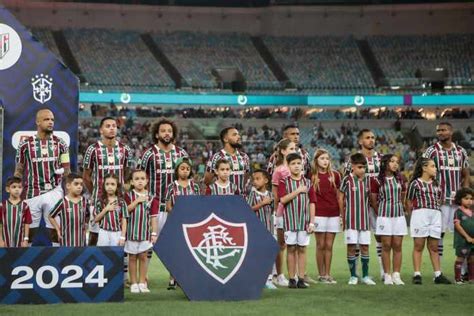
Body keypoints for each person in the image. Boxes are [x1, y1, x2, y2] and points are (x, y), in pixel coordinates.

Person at [15, 108, 70, 246]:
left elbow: (67, 170)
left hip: (54, 191)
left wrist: (69, 195)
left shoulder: (61, 143)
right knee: (28, 233)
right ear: (37, 122)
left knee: (56, 232)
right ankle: (24, 261)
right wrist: (16, 190)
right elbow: (19, 169)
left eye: (52, 119)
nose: (50, 122)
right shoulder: (25, 144)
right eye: (46, 119)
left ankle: (59, 261)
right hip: (32, 192)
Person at [423, 122, 470, 265]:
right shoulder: (431, 151)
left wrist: (466, 197)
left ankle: (464, 270)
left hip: (457, 201)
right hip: (440, 200)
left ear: (451, 132)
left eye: (443, 130)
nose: (440, 133)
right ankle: (439, 270)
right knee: (439, 234)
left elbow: (466, 173)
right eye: (438, 131)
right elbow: (423, 173)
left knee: (464, 233)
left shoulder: (461, 151)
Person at [83, 117, 132, 246]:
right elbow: (86, 176)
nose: (111, 128)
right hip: (98, 199)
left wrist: (120, 189)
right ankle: (92, 263)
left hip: (118, 200)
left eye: (114, 126)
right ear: (101, 130)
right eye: (108, 126)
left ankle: (119, 265)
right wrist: (96, 193)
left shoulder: (125, 150)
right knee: (94, 234)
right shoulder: (92, 149)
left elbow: (127, 172)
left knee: (119, 233)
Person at [344, 129, 384, 280]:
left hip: (376, 204)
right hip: (358, 205)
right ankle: (357, 273)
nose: (371, 140)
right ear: (361, 141)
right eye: (367, 138)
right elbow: (347, 182)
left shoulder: (380, 158)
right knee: (357, 241)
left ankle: (382, 271)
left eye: (373, 137)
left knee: (379, 236)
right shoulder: (352, 160)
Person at [138, 118, 188, 235]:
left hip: (177, 207)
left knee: (176, 244)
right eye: (163, 131)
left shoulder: (182, 154)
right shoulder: (148, 154)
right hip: (155, 207)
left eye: (170, 131)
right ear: (156, 134)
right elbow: (139, 178)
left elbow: (187, 180)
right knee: (153, 244)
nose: (167, 133)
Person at [406, 157, 451, 284]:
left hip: (435, 214)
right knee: (419, 245)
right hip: (420, 213)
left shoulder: (437, 184)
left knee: (434, 246)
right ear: (424, 168)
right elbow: (408, 201)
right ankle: (417, 274)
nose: (435, 169)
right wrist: (413, 216)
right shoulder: (415, 183)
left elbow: (440, 200)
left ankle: (438, 275)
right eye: (432, 166)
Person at [278, 153, 316, 289]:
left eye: (298, 163)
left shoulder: (308, 182)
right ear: (288, 166)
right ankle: (292, 278)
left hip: (304, 222)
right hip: (289, 222)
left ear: (302, 165)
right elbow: (282, 200)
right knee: (291, 248)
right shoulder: (284, 182)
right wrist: (298, 191)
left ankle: (301, 278)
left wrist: (312, 222)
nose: (296, 166)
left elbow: (312, 202)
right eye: (293, 164)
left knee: (302, 249)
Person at [339, 153, 376, 285]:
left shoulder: (368, 180)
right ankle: (353, 276)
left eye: (364, 167)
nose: (362, 170)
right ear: (353, 167)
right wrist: (342, 216)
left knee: (365, 247)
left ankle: (365, 276)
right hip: (351, 220)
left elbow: (371, 199)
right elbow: (340, 198)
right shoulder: (347, 180)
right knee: (351, 247)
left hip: (364, 221)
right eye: (360, 167)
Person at [370, 154, 407, 285]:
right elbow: (373, 201)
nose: (395, 164)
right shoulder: (376, 180)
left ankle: (396, 275)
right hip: (384, 216)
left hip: (399, 216)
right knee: (386, 246)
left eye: (397, 162)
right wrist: (381, 212)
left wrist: (400, 207)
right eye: (392, 161)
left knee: (397, 246)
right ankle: (387, 275)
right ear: (385, 163)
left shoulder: (401, 178)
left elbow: (403, 196)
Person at [165, 158, 200, 290]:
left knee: (189, 251)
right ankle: (172, 278)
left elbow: (198, 204)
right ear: (177, 170)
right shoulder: (171, 186)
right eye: (182, 168)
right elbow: (168, 206)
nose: (185, 171)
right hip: (176, 222)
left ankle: (185, 278)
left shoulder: (195, 186)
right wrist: (177, 215)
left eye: (187, 169)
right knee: (176, 251)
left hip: (191, 223)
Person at [125, 170, 159, 294]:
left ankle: (142, 282)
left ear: (147, 181)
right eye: (137, 179)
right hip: (131, 232)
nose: (140, 181)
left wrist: (154, 233)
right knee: (132, 257)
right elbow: (125, 211)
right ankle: (133, 283)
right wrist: (137, 201)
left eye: (142, 178)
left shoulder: (152, 197)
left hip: (145, 233)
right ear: (132, 182)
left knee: (144, 257)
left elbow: (154, 217)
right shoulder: (128, 196)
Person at [311, 149, 341, 284]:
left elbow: (339, 196)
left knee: (329, 245)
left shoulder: (335, 175)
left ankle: (328, 274)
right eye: (322, 158)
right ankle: (321, 274)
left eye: (327, 158)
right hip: (318, 214)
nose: (325, 161)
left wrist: (341, 214)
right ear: (316, 160)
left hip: (333, 214)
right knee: (320, 245)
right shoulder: (312, 175)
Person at [271, 139, 296, 287]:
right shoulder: (279, 170)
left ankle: (293, 275)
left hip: (295, 212)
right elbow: (275, 194)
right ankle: (278, 275)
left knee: (291, 244)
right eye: (291, 148)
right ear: (283, 151)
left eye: (295, 148)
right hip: (281, 211)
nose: (294, 150)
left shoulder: (297, 167)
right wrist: (275, 212)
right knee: (280, 244)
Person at [247, 169, 275, 289]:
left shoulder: (271, 195)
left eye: (258, 179)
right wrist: (262, 204)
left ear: (266, 180)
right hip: (256, 231)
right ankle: (256, 278)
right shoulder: (253, 194)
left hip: (269, 230)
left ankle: (269, 278)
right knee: (256, 255)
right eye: (254, 179)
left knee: (268, 254)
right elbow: (248, 209)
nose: (255, 181)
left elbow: (273, 210)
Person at [204, 127, 250, 195]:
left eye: (238, 134)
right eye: (234, 135)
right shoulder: (216, 157)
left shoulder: (244, 157)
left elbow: (245, 179)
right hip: (222, 200)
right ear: (225, 139)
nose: (239, 137)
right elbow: (207, 181)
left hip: (241, 200)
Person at [48, 173, 88, 247]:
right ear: (68, 186)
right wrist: (58, 229)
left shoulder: (84, 201)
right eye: (76, 184)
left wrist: (85, 226)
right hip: (66, 242)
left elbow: (87, 215)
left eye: (81, 184)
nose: (79, 187)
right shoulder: (63, 202)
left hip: (81, 242)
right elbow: (50, 216)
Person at [94, 174, 128, 247]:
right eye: (107, 184)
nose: (110, 186)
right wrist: (106, 209)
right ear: (104, 186)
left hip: (117, 233)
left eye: (112, 184)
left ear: (117, 186)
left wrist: (122, 236)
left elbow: (124, 221)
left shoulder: (121, 202)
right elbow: (96, 219)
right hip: (103, 232)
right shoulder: (100, 201)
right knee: (102, 255)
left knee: (115, 256)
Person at [0, 177, 32, 247]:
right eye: (14, 187)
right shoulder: (2, 206)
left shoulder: (25, 206)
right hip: (5, 241)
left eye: (19, 187)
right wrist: (0, 240)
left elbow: (27, 223)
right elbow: (0, 224)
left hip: (20, 242)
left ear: (22, 189)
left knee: (19, 257)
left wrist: (26, 240)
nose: (17, 189)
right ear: (8, 189)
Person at [452, 188, 474, 284]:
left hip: (472, 240)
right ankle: (457, 278)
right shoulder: (458, 212)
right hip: (462, 241)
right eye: (466, 198)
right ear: (460, 199)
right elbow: (457, 225)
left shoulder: (473, 212)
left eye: (471, 199)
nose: (469, 201)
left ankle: (471, 278)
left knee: (472, 258)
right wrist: (467, 237)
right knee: (461, 258)